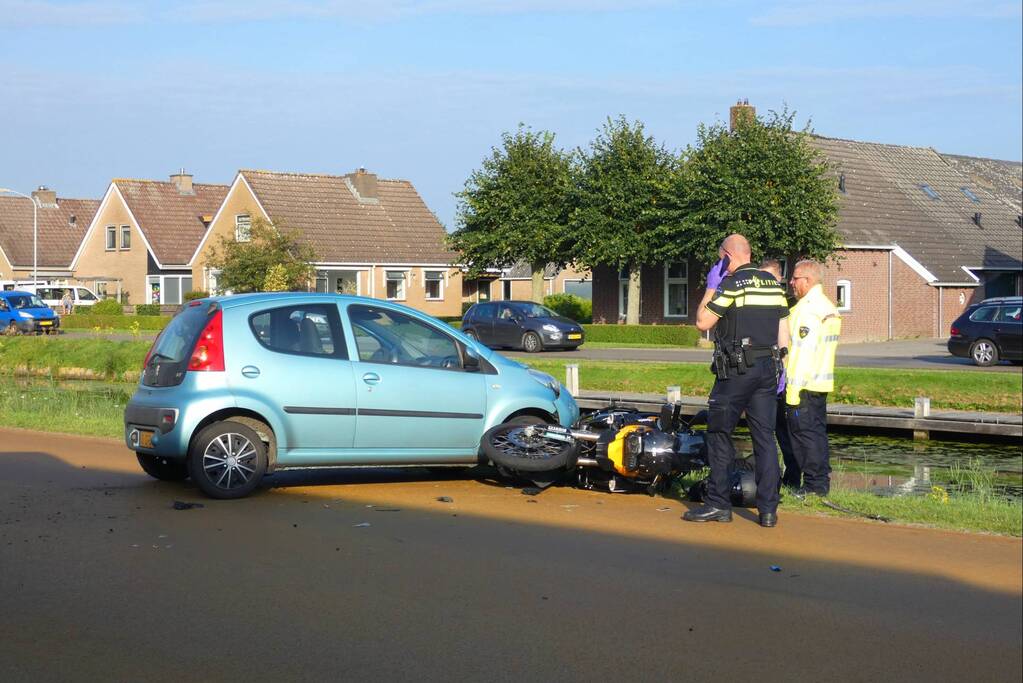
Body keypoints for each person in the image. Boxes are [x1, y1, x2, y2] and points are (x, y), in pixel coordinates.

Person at [684, 235, 790, 528]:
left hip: (736, 371)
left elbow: (703, 322)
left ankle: (718, 504)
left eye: (721, 259)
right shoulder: (773, 285)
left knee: (719, 433)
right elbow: (784, 330)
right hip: (769, 368)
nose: (720, 264)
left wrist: (710, 286)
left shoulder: (731, 284)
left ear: (728, 257)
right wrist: (782, 365)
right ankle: (768, 510)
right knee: (765, 438)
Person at [784, 259, 841, 498]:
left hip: (804, 386)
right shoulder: (825, 305)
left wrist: (793, 392)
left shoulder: (808, 310)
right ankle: (819, 484)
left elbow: (803, 353)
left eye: (795, 278)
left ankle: (813, 487)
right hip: (820, 383)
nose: (791, 282)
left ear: (807, 280)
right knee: (817, 435)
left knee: (805, 437)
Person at [759, 258, 801, 489]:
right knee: (769, 430)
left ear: (779, 279)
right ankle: (773, 478)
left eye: (770, 279)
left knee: (788, 433)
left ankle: (793, 478)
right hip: (765, 377)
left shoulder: (788, 306)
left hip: (787, 379)